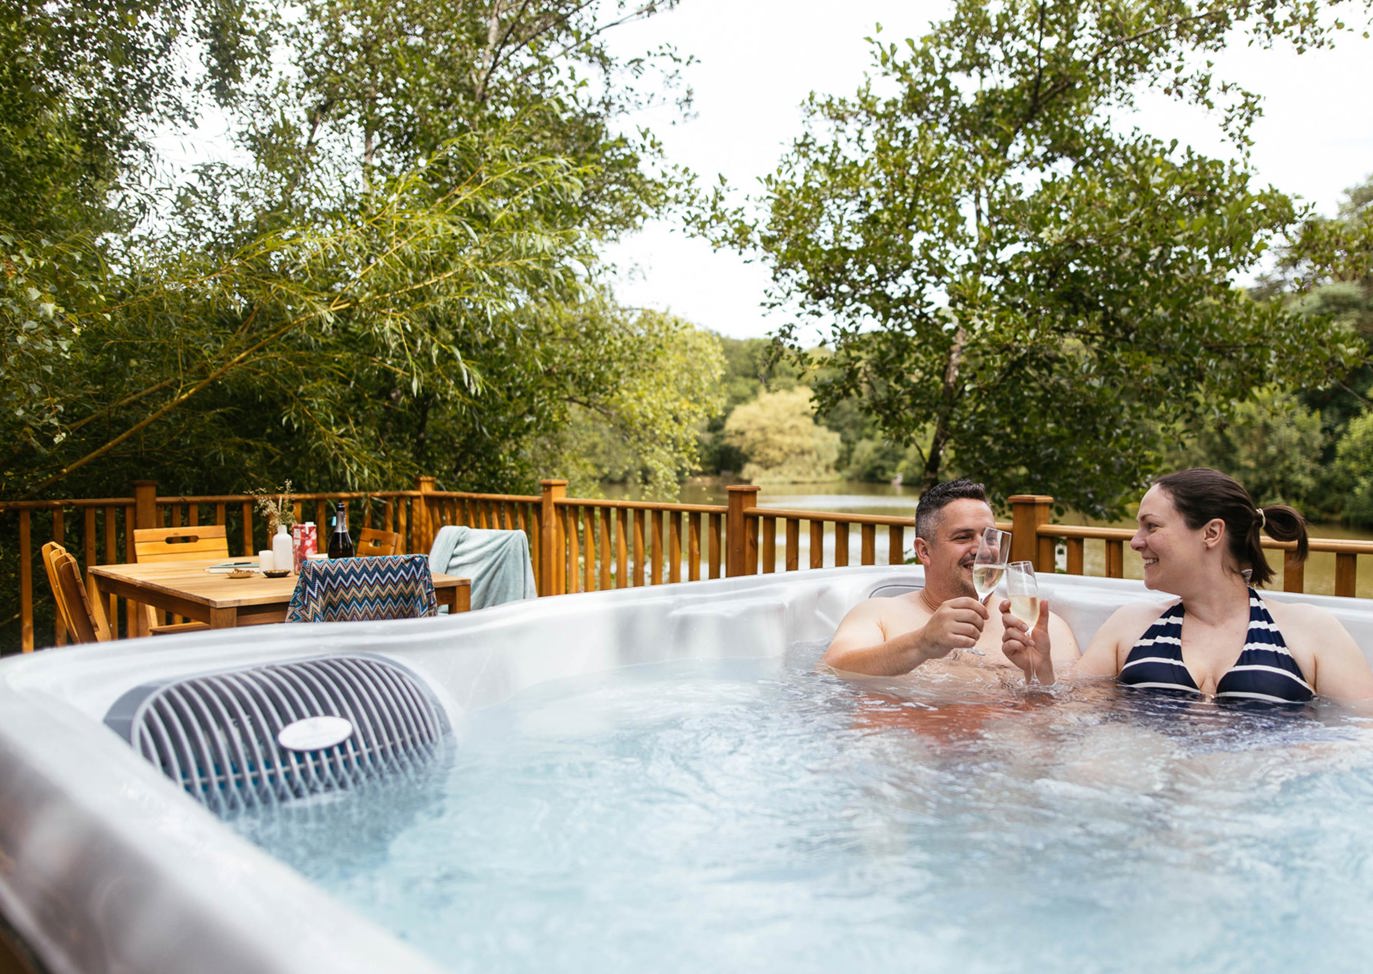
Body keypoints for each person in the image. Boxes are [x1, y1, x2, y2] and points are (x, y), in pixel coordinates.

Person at [1000, 467, 1373, 704]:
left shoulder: (1311, 630)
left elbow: (1360, 742)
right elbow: (1067, 723)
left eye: (1151, 526)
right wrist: (1039, 672)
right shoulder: (1129, 626)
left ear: (1211, 533)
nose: (1135, 542)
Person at [822, 479, 1080, 678]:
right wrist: (922, 643)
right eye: (963, 537)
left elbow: (1073, 713)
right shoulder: (878, 616)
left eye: (989, 537)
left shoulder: (1039, 629)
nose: (983, 549)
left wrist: (1040, 674)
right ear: (924, 551)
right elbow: (831, 672)